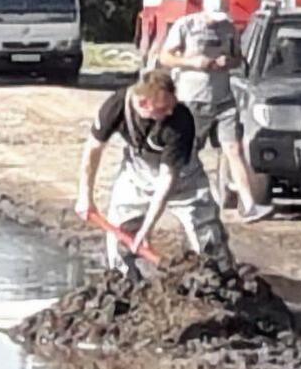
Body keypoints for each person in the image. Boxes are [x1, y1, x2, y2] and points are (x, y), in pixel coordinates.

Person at [75, 70, 235, 278]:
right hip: (137, 173)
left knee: (206, 233)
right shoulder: (115, 106)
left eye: (172, 104)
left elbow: (167, 180)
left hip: (184, 177)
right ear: (143, 104)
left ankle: (221, 280)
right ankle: (126, 282)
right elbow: (93, 150)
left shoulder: (180, 119)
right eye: (163, 108)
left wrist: (147, 229)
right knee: (122, 233)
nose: (170, 111)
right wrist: (84, 196)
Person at [158, 0, 272, 224]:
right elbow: (165, 58)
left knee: (234, 150)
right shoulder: (186, 26)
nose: (218, 20)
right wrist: (192, 62)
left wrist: (227, 62)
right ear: (204, 9)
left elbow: (238, 57)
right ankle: (171, 195)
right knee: (187, 151)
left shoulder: (228, 29)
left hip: (223, 100)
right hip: (194, 99)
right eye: (214, 15)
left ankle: (249, 205)